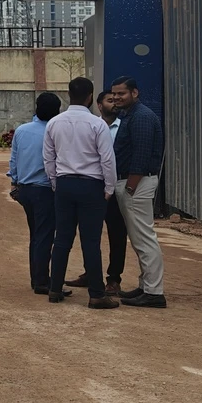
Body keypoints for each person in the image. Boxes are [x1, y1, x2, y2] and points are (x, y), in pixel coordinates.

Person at [43, 77, 119, 309]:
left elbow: (49, 158)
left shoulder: (54, 123)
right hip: (91, 187)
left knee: (62, 239)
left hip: (65, 185)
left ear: (68, 95)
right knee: (91, 241)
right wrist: (109, 188)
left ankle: (54, 289)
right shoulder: (98, 125)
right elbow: (107, 160)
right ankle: (96, 294)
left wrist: (56, 183)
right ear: (90, 97)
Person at [110, 76, 166, 308]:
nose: (116, 98)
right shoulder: (130, 116)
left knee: (144, 239)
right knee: (139, 238)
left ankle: (154, 293)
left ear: (135, 93)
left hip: (136, 184)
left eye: (121, 93)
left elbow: (141, 157)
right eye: (114, 94)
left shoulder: (141, 117)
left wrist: (130, 188)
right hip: (133, 184)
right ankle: (146, 286)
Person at [65, 90, 127, 295]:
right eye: (110, 100)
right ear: (98, 104)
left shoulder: (125, 127)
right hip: (92, 189)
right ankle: (91, 274)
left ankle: (113, 279)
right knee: (89, 234)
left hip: (115, 190)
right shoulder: (91, 124)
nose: (115, 103)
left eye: (116, 99)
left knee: (117, 234)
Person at [7, 92, 66, 295]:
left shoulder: (22, 130)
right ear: (58, 110)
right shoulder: (56, 131)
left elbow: (13, 160)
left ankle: (37, 278)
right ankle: (42, 281)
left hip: (25, 190)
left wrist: (14, 182)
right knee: (44, 236)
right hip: (45, 191)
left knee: (36, 235)